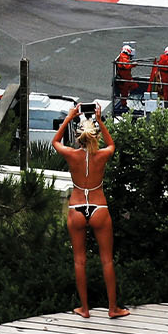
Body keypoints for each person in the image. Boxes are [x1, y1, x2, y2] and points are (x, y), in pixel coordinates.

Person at [53, 105, 128, 319]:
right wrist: (100, 121)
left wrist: (69, 118)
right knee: (107, 260)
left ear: (78, 138)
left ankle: (84, 308)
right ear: (95, 137)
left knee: (79, 260)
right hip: (98, 207)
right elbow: (112, 144)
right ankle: (113, 308)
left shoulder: (71, 155)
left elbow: (55, 142)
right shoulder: (102, 155)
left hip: (76, 207)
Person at [111, 44, 137, 115]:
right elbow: (126, 65)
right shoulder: (123, 56)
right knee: (125, 92)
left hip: (126, 78)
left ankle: (124, 103)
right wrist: (133, 64)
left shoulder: (123, 56)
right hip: (124, 79)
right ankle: (124, 105)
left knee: (129, 90)